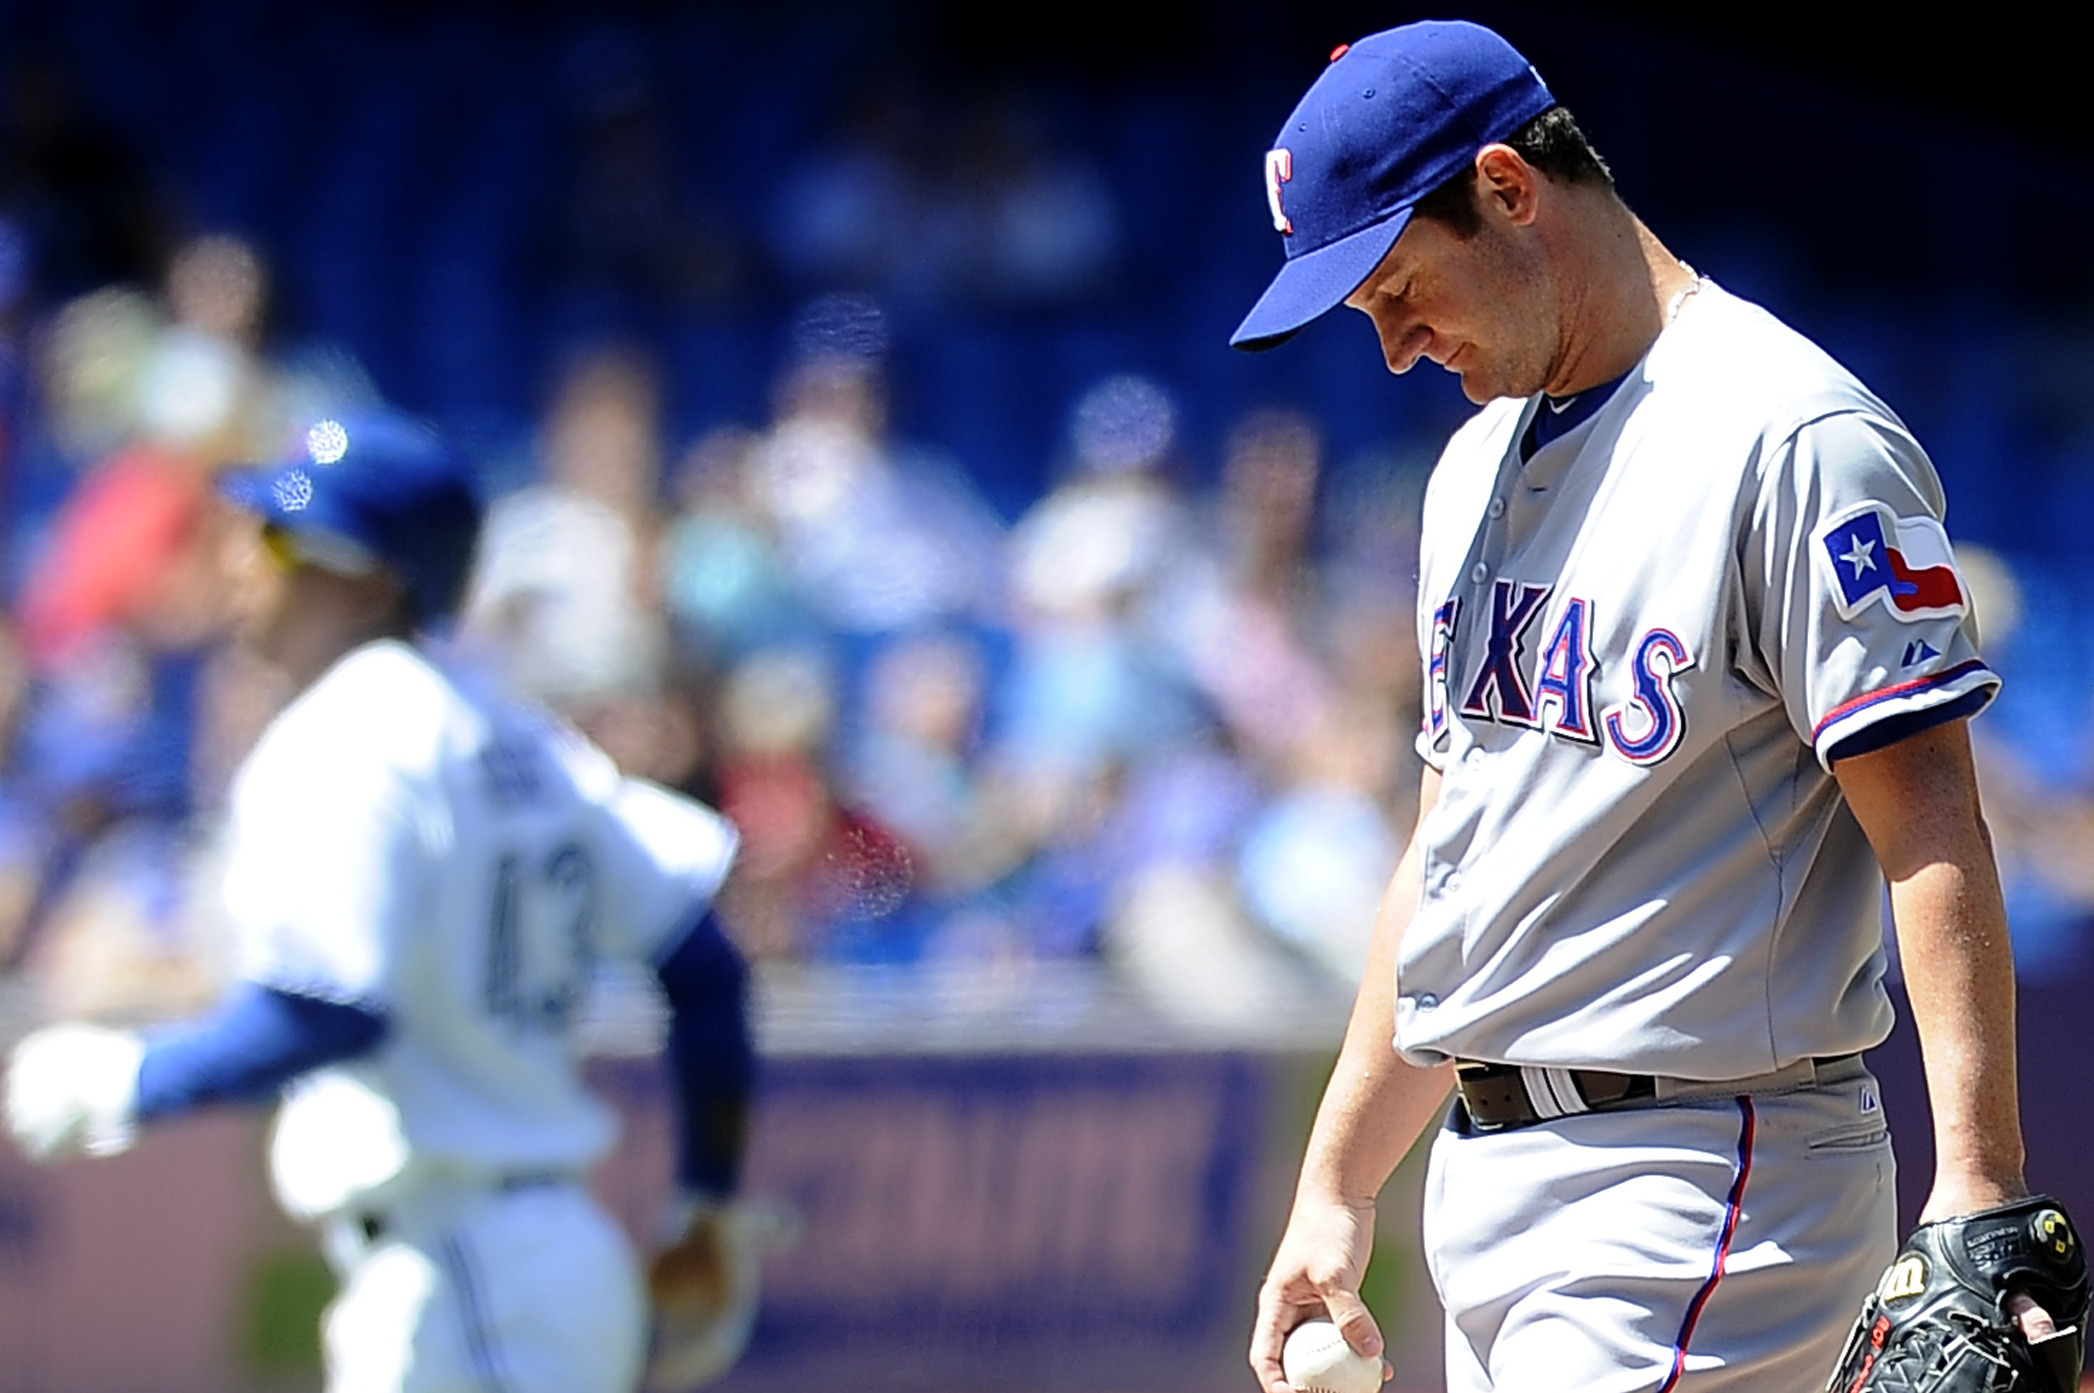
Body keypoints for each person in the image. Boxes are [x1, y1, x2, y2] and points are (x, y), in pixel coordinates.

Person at [1231, 21, 2062, 1393]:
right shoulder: (1470, 466)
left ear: (1506, 187)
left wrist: (1978, 1179)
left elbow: (1926, 816)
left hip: (1703, 1175)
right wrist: (1336, 1177)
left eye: (1393, 287)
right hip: (1491, 1180)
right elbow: (1451, 850)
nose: (1388, 346)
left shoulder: (1790, 437)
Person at [4, 409, 761, 1393]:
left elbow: (331, 1010)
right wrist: (705, 1198)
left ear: (367, 574)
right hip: (519, 1261)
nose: (241, 558)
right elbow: (703, 964)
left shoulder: (346, 735)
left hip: (462, 1270)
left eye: (277, 535)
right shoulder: (514, 730)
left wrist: (131, 1081)